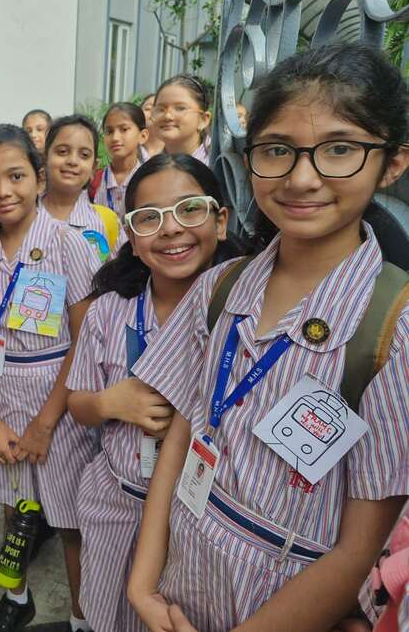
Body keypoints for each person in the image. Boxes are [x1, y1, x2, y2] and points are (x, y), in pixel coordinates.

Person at [127, 44, 409, 632]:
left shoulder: (393, 329)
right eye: (277, 151)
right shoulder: (220, 287)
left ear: (393, 162)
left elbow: (359, 548)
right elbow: (182, 432)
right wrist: (142, 584)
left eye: (339, 149)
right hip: (180, 585)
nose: (302, 178)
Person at [67, 153, 238, 632]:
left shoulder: (241, 321)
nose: (170, 229)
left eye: (189, 209)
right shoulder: (108, 312)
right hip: (115, 502)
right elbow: (78, 403)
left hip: (197, 522)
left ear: (220, 221)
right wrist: (109, 403)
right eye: (149, 219)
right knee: (107, 613)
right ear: (131, 236)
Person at [0, 123, 100, 632]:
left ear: (39, 178)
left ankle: (82, 618)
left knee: (70, 522)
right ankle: (18, 600)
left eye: (15, 176)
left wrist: (45, 424)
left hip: (56, 400)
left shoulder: (67, 245)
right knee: (14, 508)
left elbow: (83, 340)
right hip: (0, 395)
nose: (2, 191)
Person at [40, 114, 123, 263]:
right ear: (45, 158)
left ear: (93, 168)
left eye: (84, 155)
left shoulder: (105, 221)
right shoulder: (23, 216)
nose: (72, 161)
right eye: (62, 152)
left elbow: (120, 275)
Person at [89, 103, 150, 217]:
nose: (115, 138)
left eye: (124, 129)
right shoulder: (94, 181)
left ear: (143, 136)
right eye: (109, 131)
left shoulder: (150, 180)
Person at [151, 75, 212, 164]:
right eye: (160, 109)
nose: (167, 116)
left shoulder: (217, 168)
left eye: (180, 108)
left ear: (203, 120)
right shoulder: (150, 168)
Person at [139, 94, 165, 159]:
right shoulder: (129, 150)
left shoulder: (178, 151)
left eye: (159, 109)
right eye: (148, 109)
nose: (153, 112)